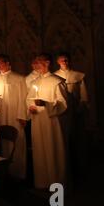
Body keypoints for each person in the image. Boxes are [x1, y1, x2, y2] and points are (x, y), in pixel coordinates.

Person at [26, 53, 68, 189]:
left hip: (51, 122)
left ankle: (56, 184)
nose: (36, 65)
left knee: (52, 150)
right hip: (37, 121)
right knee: (39, 150)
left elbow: (63, 102)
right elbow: (28, 99)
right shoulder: (34, 82)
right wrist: (31, 106)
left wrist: (46, 104)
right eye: (36, 62)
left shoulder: (57, 81)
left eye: (39, 62)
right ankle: (42, 182)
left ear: (47, 63)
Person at [0, 54, 28, 180]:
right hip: (0, 115)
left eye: (0, 63)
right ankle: (3, 173)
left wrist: (22, 115)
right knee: (2, 141)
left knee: (17, 140)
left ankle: (18, 172)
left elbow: (24, 98)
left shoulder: (19, 79)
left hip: (15, 115)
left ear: (7, 63)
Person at [54, 52, 89, 181]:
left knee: (77, 137)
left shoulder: (77, 75)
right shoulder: (55, 76)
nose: (65, 62)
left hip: (75, 109)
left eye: (66, 60)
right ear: (58, 62)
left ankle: (80, 166)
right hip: (62, 112)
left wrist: (81, 105)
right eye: (62, 60)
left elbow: (83, 93)